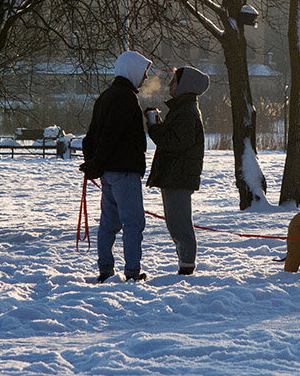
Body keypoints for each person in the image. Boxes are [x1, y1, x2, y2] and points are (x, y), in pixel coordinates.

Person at [81, 50, 151, 283]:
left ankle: (105, 268)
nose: (145, 78)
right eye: (143, 72)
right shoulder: (126, 98)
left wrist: (94, 163)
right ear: (131, 71)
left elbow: (91, 136)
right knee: (133, 222)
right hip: (125, 171)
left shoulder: (106, 96)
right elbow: (111, 135)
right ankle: (132, 271)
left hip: (108, 174)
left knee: (109, 223)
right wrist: (95, 163)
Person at [145, 65, 208, 276]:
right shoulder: (182, 110)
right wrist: (159, 124)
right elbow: (175, 139)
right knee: (175, 223)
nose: (170, 84)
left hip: (178, 176)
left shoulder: (187, 112)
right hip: (174, 175)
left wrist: (154, 126)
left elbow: (173, 143)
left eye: (174, 81)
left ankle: (187, 266)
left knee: (179, 224)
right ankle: (185, 263)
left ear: (184, 86)